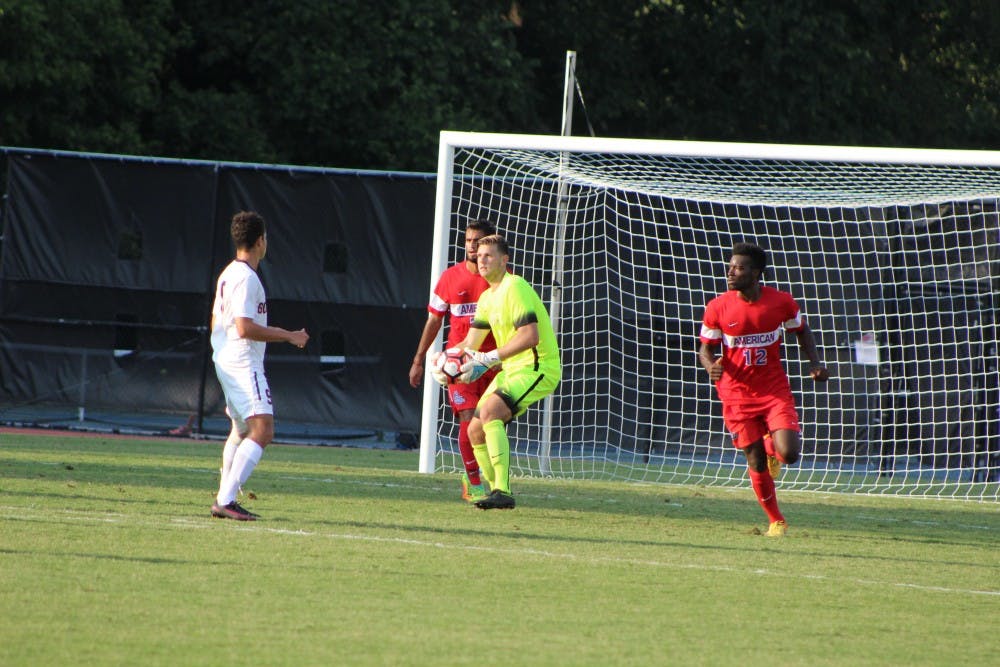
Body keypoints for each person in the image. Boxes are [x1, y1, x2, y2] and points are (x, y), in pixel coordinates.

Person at [697, 242, 828, 536]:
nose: (731, 272)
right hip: (735, 394)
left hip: (773, 391)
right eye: (730, 266)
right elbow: (705, 349)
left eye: (739, 268)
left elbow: (801, 330)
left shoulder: (780, 302)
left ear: (756, 273)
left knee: (789, 453)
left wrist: (815, 364)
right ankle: (776, 520)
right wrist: (710, 366)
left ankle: (772, 447)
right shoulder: (717, 306)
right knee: (753, 457)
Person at [209, 210, 309, 521]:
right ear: (261, 241)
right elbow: (244, 327)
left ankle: (224, 496)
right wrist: (289, 335)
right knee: (263, 430)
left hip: (226, 360)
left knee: (240, 430)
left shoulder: (228, 273)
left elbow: (217, 321)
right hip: (242, 362)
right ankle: (225, 500)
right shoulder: (244, 278)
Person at [453, 234, 561, 509]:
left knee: (489, 412)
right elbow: (470, 344)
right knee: (474, 430)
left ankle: (503, 490)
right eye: (479, 255)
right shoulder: (487, 297)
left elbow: (530, 336)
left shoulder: (515, 286)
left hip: (537, 367)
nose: (482, 260)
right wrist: (446, 358)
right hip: (511, 370)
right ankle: (494, 492)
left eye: (489, 255)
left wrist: (488, 358)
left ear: (505, 259)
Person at [409, 218, 499, 502]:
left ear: (489, 244)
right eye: (468, 240)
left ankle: (492, 480)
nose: (471, 246)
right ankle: (473, 481)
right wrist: (419, 359)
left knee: (488, 424)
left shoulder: (501, 281)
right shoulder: (450, 278)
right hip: (458, 365)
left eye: (478, 241)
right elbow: (434, 320)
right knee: (467, 418)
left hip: (492, 364)